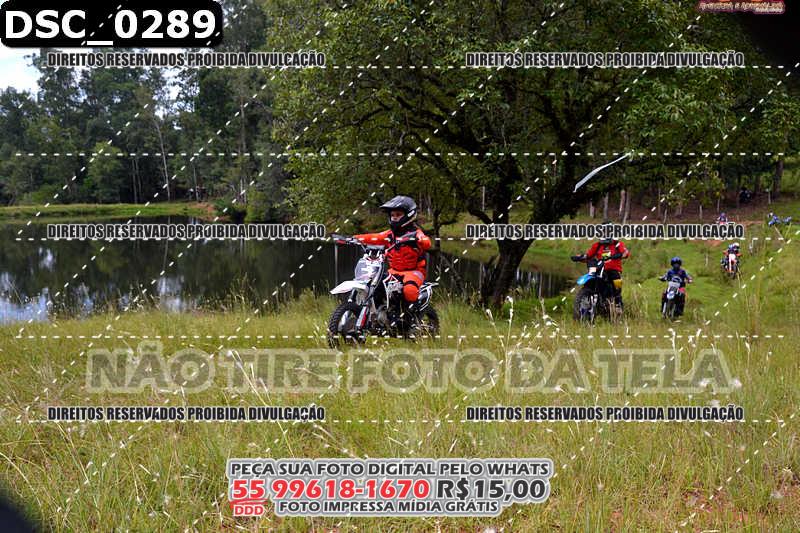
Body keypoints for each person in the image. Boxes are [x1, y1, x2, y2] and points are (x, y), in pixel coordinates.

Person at [354, 195, 431, 306]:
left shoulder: (415, 233)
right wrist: (354, 238)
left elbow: (427, 243)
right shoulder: (390, 234)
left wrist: (421, 240)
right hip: (393, 271)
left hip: (414, 272)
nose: (394, 217)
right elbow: (374, 237)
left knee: (409, 291)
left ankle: (412, 313)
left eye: (398, 215)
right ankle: (382, 311)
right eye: (392, 215)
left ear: (409, 215)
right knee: (375, 286)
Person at [571, 228, 631, 308]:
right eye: (603, 233)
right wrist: (579, 257)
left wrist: (620, 255)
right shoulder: (597, 245)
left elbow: (625, 253)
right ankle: (590, 297)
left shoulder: (617, 244)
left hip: (614, 269)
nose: (604, 235)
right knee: (592, 278)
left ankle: (618, 303)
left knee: (615, 278)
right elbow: (588, 255)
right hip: (600, 268)